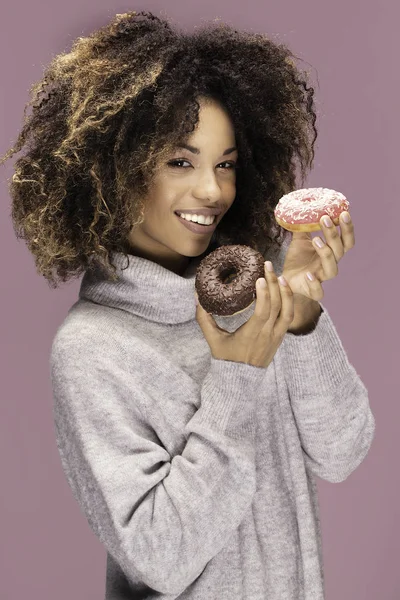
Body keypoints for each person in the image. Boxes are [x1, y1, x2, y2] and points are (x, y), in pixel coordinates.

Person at [0, 10, 375, 599]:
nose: (213, 190)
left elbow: (343, 452)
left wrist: (300, 316)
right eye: (182, 161)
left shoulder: (258, 292)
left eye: (225, 164)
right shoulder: (93, 348)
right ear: (114, 168)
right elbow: (160, 557)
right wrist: (238, 375)